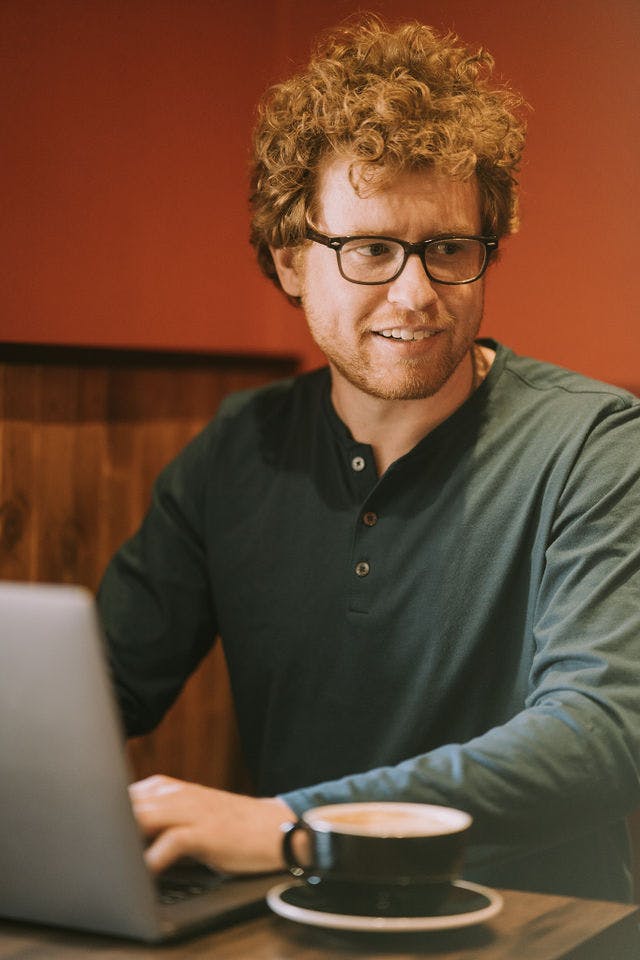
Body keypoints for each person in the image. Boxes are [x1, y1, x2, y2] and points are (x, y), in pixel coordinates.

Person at [98, 15, 640, 902]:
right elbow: (100, 684)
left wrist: (297, 827)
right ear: (290, 262)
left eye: (449, 249)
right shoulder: (239, 449)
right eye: (371, 251)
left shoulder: (595, 445)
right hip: (295, 923)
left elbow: (605, 735)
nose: (417, 293)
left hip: (531, 934)